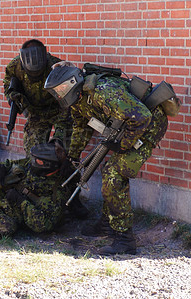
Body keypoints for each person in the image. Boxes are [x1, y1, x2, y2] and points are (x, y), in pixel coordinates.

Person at [45, 65, 170, 255]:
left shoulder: (103, 92)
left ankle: (124, 239)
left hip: (148, 126)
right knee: (108, 171)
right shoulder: (78, 100)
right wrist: (72, 157)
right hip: (129, 126)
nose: (59, 94)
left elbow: (142, 116)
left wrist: (124, 145)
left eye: (60, 90)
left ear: (72, 82)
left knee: (114, 174)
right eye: (56, 92)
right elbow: (82, 128)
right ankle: (108, 223)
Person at [3, 39, 73, 156]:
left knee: (61, 151)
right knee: (33, 153)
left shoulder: (56, 66)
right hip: (36, 113)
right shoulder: (14, 67)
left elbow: (69, 94)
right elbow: (7, 84)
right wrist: (12, 98)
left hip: (60, 112)